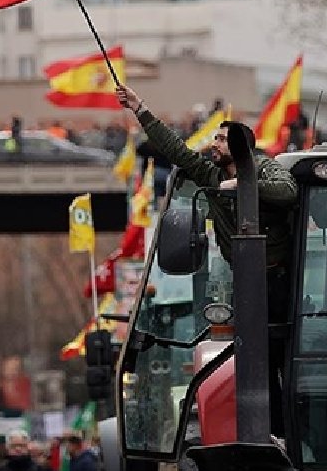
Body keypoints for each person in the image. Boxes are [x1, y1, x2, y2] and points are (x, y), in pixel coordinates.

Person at [115, 84, 298, 322]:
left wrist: (244, 184)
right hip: (241, 277)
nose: (214, 144)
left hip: (277, 279)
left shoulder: (264, 166)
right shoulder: (212, 175)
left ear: (241, 147)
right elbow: (176, 150)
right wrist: (139, 108)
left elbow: (288, 191)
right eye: (215, 139)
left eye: (222, 140)